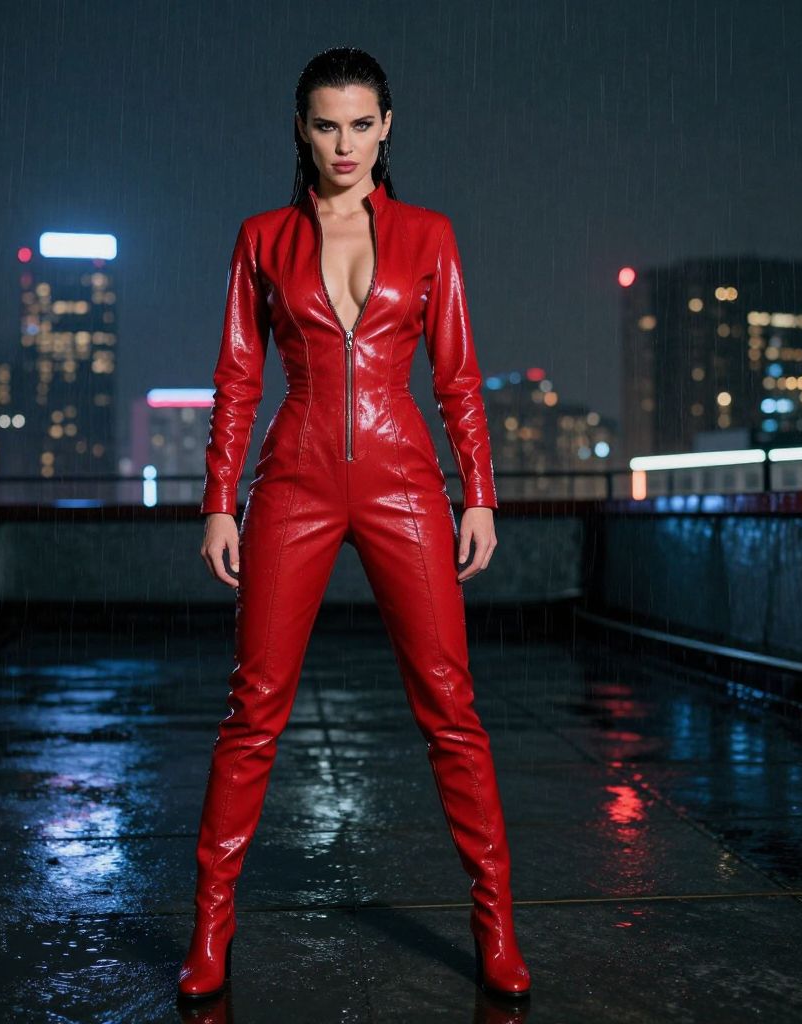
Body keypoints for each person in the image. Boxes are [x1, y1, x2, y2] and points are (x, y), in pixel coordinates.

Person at [177, 46, 531, 1004]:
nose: (344, 143)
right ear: (302, 127)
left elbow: (456, 375)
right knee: (254, 710)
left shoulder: (428, 235)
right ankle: (212, 924)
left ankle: (494, 922)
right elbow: (238, 376)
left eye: (361, 124)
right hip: (289, 483)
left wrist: (479, 492)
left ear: (386, 128)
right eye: (326, 124)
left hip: (405, 482)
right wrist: (221, 499)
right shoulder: (261, 237)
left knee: (450, 708)